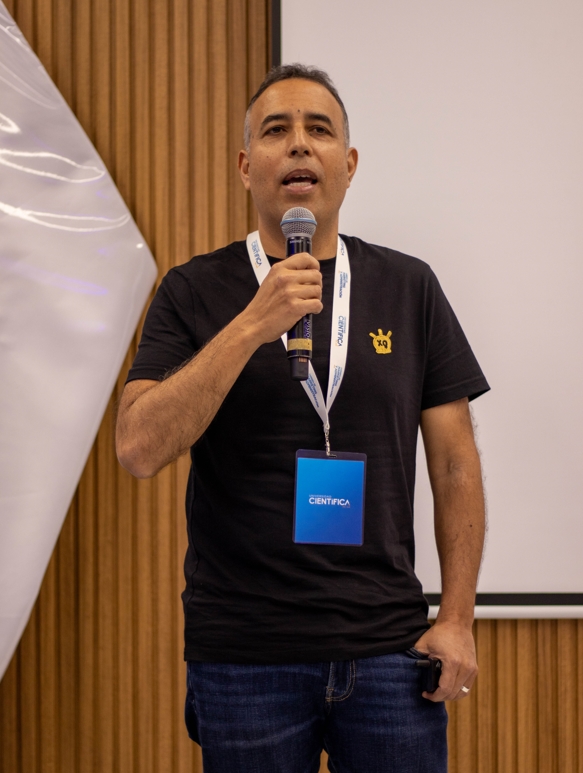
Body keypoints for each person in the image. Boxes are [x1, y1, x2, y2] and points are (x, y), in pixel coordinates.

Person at [116, 64, 489, 773]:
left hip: (389, 650)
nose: (298, 144)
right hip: (244, 655)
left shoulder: (408, 286)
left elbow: (453, 462)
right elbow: (138, 447)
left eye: (319, 130)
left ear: (348, 165)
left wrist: (457, 618)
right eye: (275, 131)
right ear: (244, 165)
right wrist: (251, 325)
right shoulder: (193, 290)